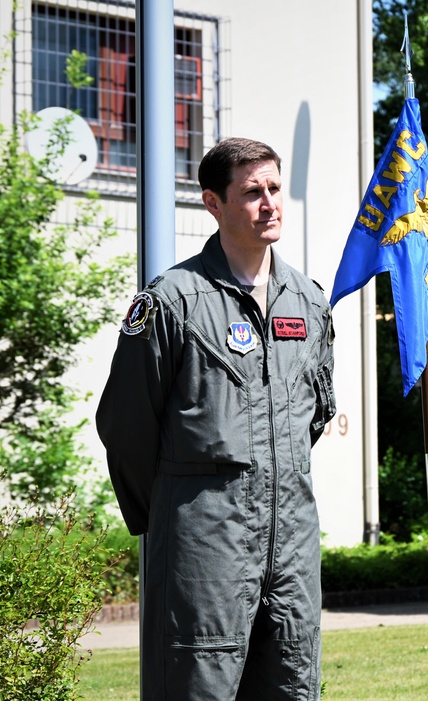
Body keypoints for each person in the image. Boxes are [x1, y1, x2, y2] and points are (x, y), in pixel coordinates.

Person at [97, 137, 336, 701]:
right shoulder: (173, 300)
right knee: (196, 686)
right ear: (213, 202)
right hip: (204, 547)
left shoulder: (309, 303)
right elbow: (126, 422)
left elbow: (314, 416)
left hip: (293, 545)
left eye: (275, 189)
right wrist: (167, 517)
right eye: (252, 192)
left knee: (293, 683)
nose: (270, 203)